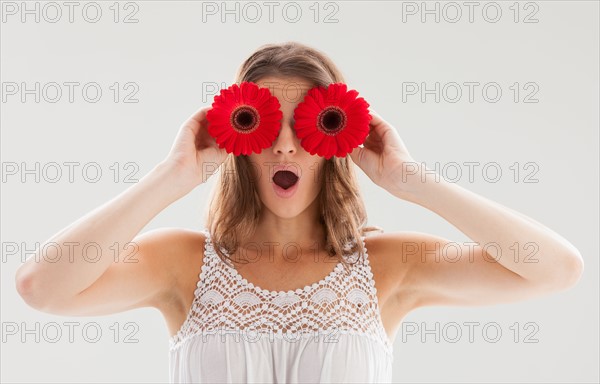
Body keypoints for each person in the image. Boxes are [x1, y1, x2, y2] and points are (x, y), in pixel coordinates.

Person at [15, 41, 584, 383]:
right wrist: (173, 177)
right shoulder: (182, 265)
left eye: (306, 124)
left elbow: (557, 268)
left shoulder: (389, 268)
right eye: (264, 125)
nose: (285, 146)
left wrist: (412, 182)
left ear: (337, 139)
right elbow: (42, 287)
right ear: (237, 138)